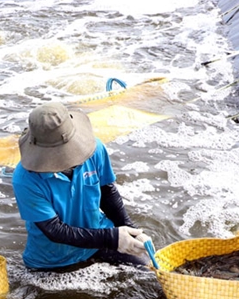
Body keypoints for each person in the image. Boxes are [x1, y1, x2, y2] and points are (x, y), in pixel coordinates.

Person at [11, 102, 149, 270]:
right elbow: (54, 230)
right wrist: (112, 238)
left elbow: (107, 192)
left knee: (148, 272)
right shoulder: (25, 179)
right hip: (52, 258)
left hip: (99, 237)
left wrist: (132, 231)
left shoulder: (95, 149)